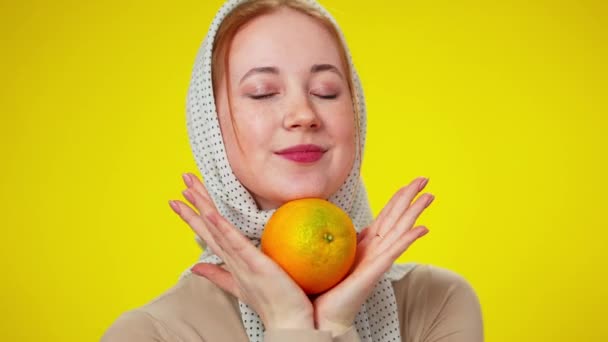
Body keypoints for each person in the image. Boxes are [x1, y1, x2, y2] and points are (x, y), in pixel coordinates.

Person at [101, 0, 484, 341]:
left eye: (326, 91)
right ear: (208, 124)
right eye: (263, 92)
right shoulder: (152, 333)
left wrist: (335, 325)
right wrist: (289, 325)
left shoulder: (437, 303)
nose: (303, 115)